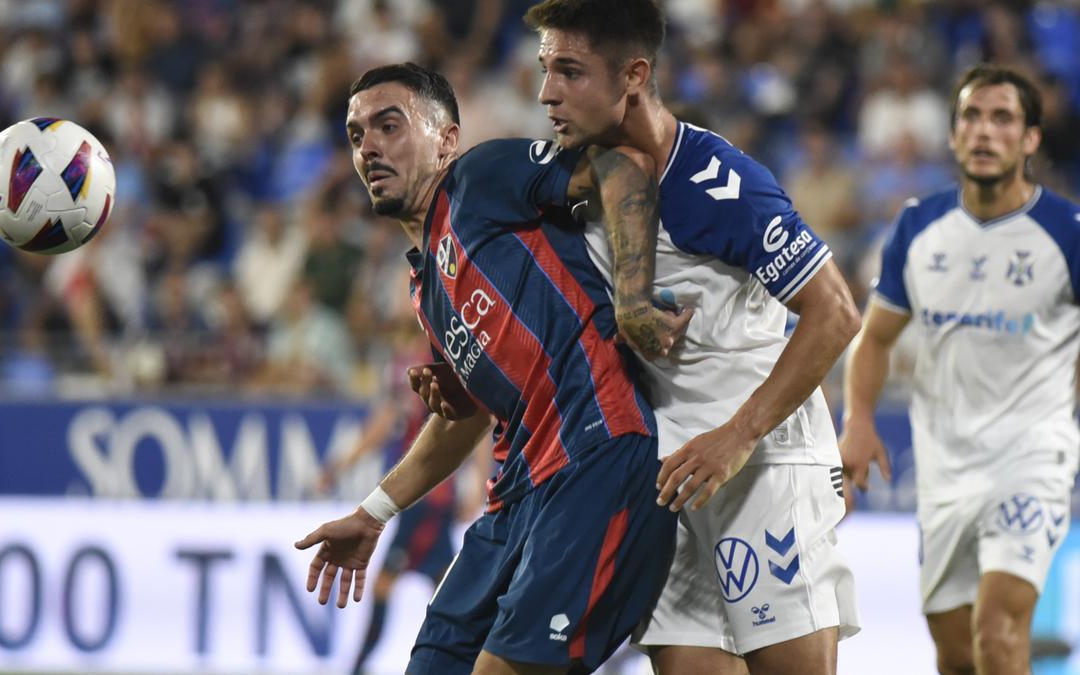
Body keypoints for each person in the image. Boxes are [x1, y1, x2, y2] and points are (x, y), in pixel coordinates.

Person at [294, 62, 683, 675]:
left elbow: (622, 165)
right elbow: (465, 418)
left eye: (389, 125)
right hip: (517, 497)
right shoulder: (428, 291)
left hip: (595, 458)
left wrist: (634, 303)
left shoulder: (478, 179)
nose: (368, 146)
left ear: (447, 139)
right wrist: (372, 512)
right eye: (356, 135)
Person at [522, 2, 861, 673]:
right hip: (666, 477)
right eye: (543, 69)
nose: (546, 92)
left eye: (568, 70)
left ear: (634, 75)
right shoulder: (571, 181)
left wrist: (737, 435)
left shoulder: (716, 181)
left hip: (760, 462)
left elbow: (836, 313)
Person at [840, 64, 1079, 675]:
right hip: (944, 467)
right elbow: (874, 340)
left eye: (1003, 118)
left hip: (1031, 458)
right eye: (971, 116)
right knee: (955, 655)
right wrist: (858, 420)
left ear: (1029, 140)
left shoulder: (1066, 234)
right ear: (952, 136)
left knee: (998, 632)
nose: (984, 131)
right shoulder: (920, 227)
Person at [318, 314, 485, 675]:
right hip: (431, 496)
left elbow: (473, 425)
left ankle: (361, 667)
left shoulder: (421, 366)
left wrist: (341, 465)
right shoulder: (440, 361)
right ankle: (468, 664)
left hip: (424, 498)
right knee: (444, 589)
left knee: (392, 585)